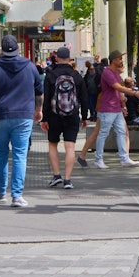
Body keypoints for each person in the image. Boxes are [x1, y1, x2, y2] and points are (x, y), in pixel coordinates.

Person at [0, 35, 42, 207]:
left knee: (0, 153)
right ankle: (17, 195)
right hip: (23, 116)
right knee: (20, 154)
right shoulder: (29, 66)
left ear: (2, 50)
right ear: (18, 49)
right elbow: (39, 90)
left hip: (0, 116)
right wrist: (39, 110)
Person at [42, 47, 86, 190]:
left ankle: (56, 175)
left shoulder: (51, 75)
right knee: (70, 147)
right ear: (69, 58)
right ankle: (68, 180)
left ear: (56, 58)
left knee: (53, 144)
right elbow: (83, 98)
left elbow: (47, 99)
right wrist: (84, 117)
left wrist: (44, 118)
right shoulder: (76, 76)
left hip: (54, 116)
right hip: (72, 115)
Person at [93, 50, 139, 169]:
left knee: (121, 132)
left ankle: (124, 158)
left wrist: (122, 105)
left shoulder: (115, 73)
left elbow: (118, 90)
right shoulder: (108, 73)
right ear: (114, 60)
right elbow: (118, 87)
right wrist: (134, 93)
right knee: (103, 133)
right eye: (120, 58)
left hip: (115, 108)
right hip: (107, 108)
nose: (121, 61)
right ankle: (98, 159)